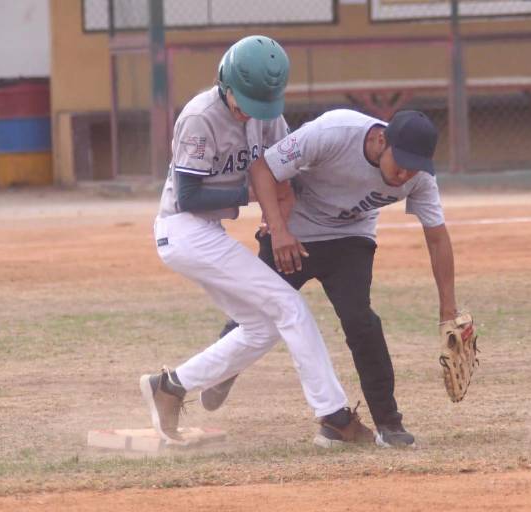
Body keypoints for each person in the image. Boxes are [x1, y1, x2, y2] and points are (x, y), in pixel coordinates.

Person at [141, 36, 374, 448]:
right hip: (183, 229)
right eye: (244, 102)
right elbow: (189, 197)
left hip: (207, 232)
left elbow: (284, 174)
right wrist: (256, 196)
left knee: (261, 328)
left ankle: (171, 386)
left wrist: (277, 213)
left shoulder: (268, 114)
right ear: (225, 84)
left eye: (261, 104)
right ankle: (334, 416)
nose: (250, 112)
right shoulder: (200, 116)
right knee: (290, 306)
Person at [206, 108, 465, 448]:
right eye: (400, 163)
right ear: (380, 140)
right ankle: (218, 372)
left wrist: (448, 310)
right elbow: (262, 169)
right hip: (293, 233)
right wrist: (279, 230)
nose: (405, 175)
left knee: (360, 321)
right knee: (256, 313)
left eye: (414, 168)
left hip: (349, 238)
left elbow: (437, 238)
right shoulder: (333, 131)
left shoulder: (420, 179)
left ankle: (389, 424)